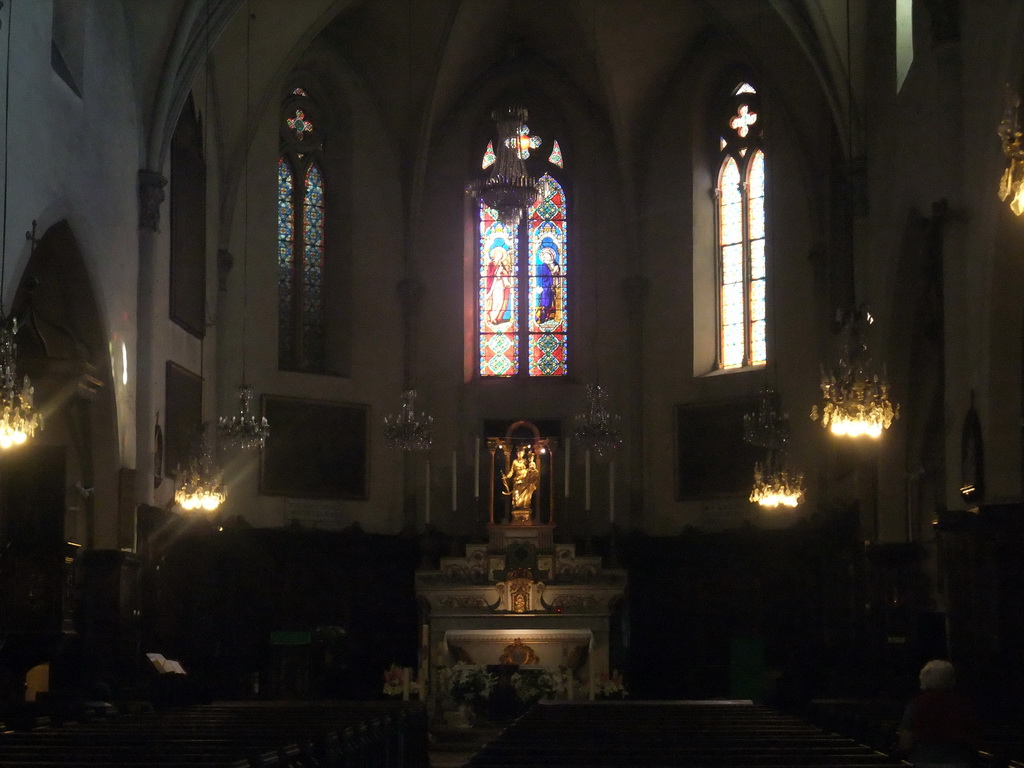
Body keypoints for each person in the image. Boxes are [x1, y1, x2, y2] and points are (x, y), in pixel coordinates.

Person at [898, 659, 981, 767]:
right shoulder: (963, 704)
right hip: (960, 761)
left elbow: (906, 742)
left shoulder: (917, 704)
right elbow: (974, 737)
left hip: (925, 761)